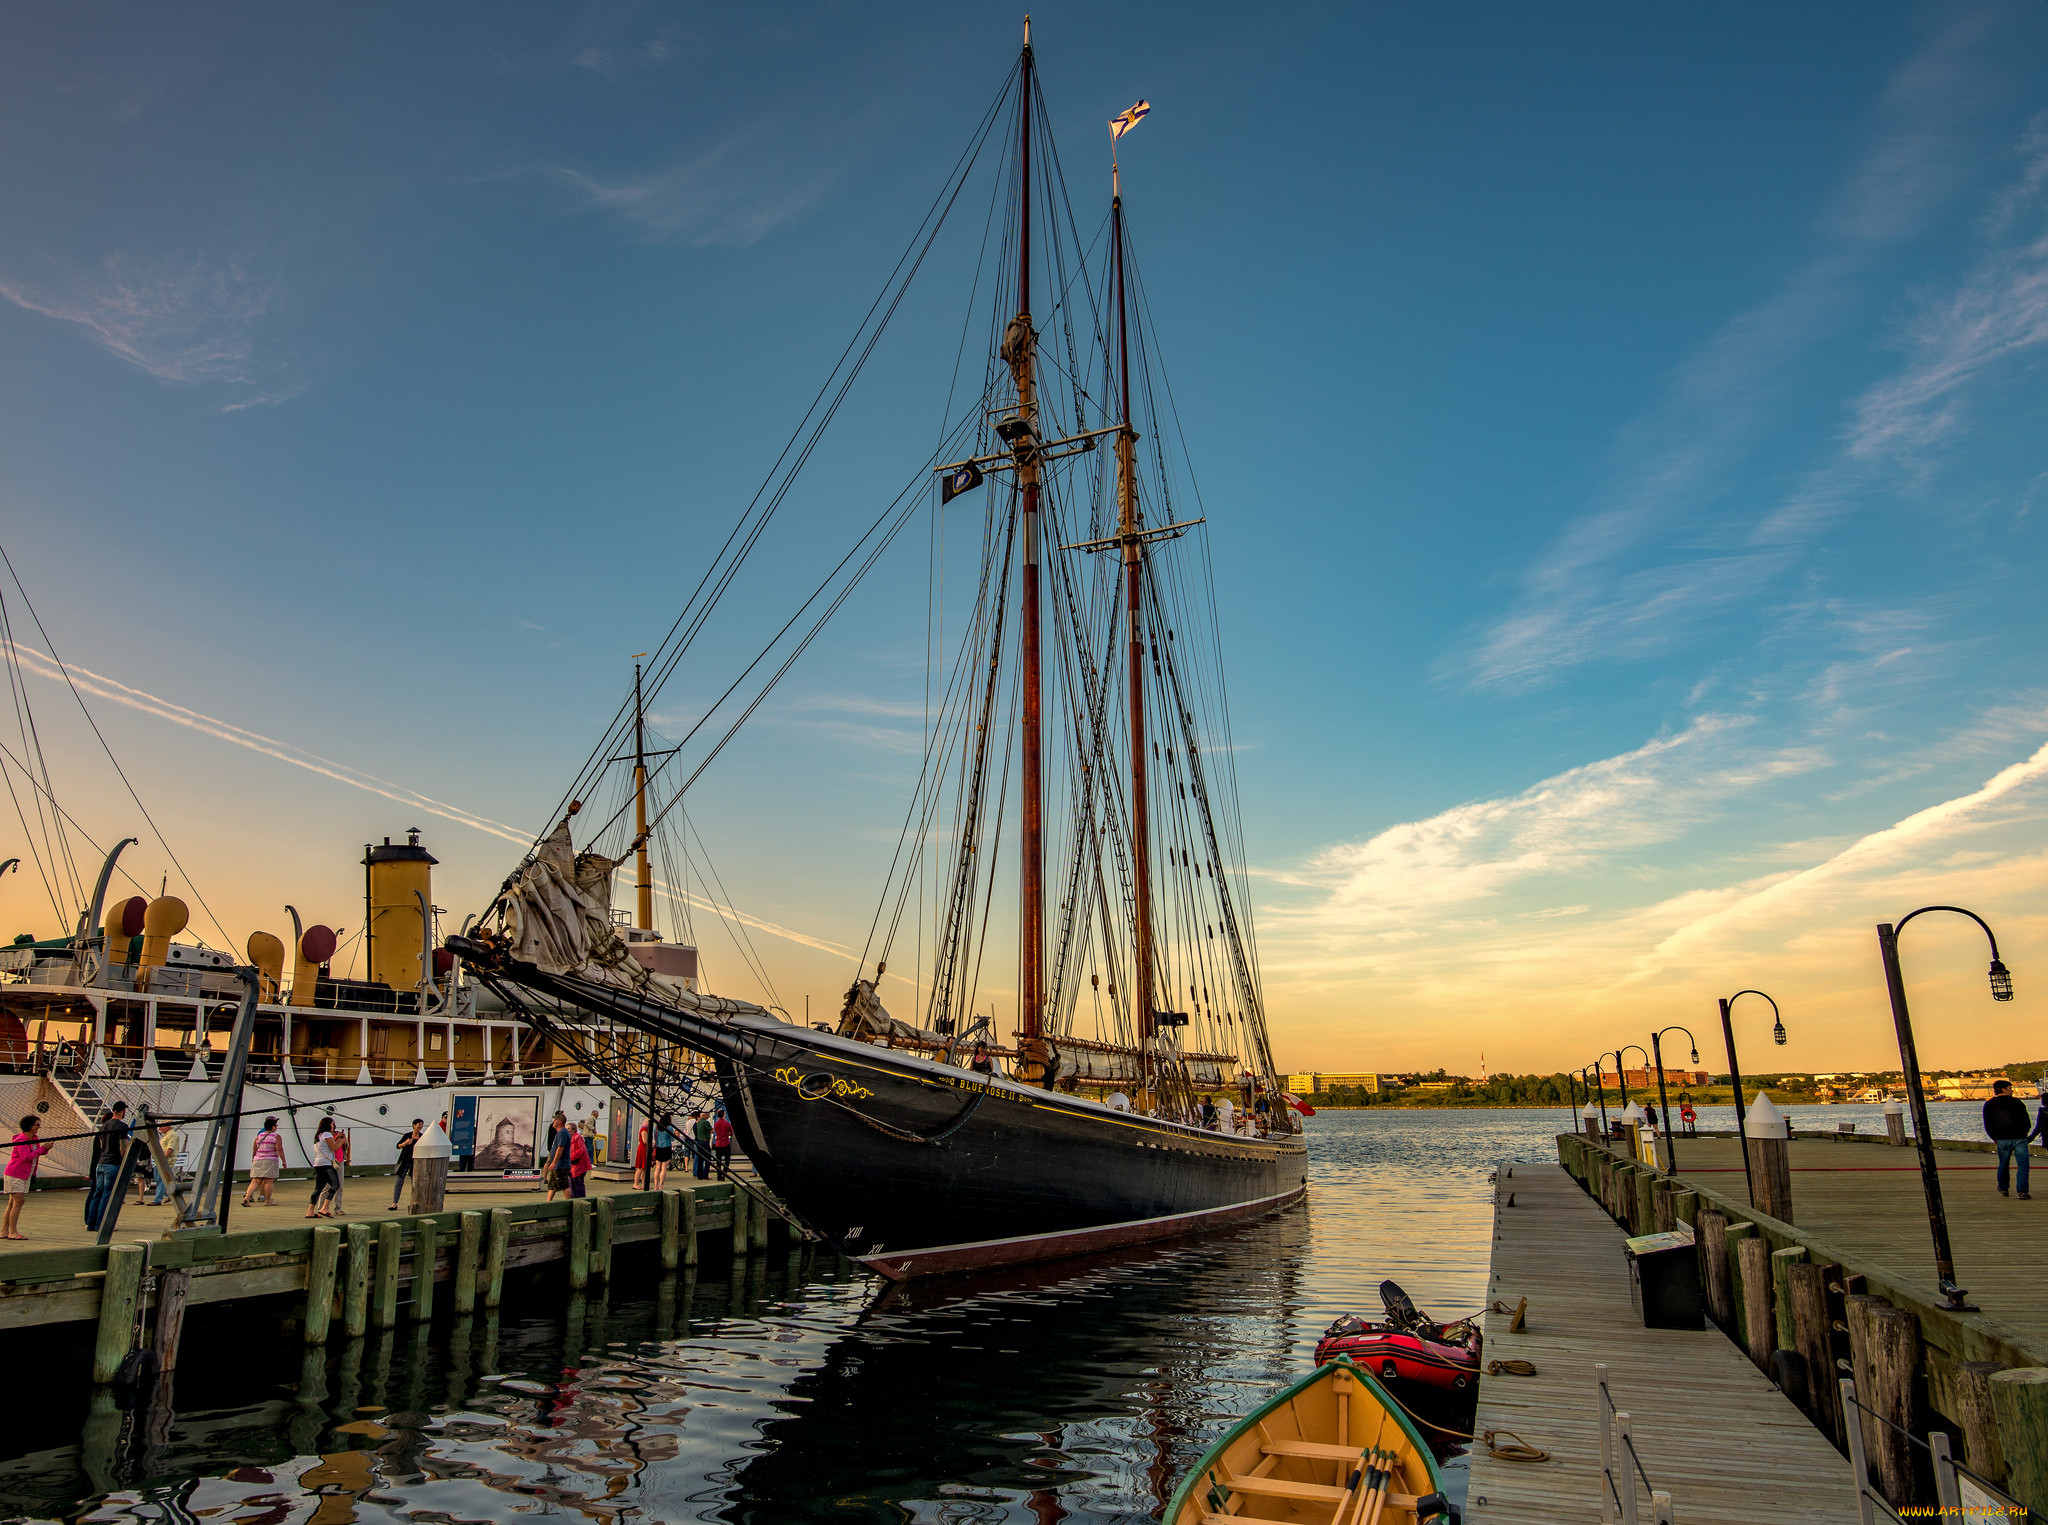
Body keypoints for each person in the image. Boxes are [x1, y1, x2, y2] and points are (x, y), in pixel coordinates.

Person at [5, 1115, 52, 1239]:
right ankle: (13, 1232)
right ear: (29, 1126)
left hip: (25, 1174)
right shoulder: (22, 1140)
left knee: (12, 1203)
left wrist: (45, 1149)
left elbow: (36, 1154)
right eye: (37, 1125)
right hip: (15, 1174)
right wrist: (42, 1148)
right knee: (19, 1201)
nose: (39, 1127)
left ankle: (4, 1231)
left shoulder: (34, 1138)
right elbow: (26, 1157)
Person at [84, 1102, 129, 1231]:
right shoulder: (122, 1126)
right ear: (122, 1111)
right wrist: (126, 1160)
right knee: (107, 1195)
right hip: (113, 1164)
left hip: (101, 1163)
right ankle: (102, 1225)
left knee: (97, 1194)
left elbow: (101, 1144)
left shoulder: (104, 1126)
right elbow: (123, 1148)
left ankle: (91, 1224)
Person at [1984, 1080, 2032, 1199]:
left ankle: (2004, 1187)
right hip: (2019, 1137)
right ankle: (2022, 1191)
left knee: (2004, 1163)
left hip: (2002, 1138)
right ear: (2003, 1089)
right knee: (2023, 1164)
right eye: (2010, 1088)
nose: (2012, 1090)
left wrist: (1994, 1137)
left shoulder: (1989, 1104)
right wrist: (2025, 1132)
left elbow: (1988, 1123)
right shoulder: (2017, 1102)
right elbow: (2026, 1120)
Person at [243, 1118, 285, 1206]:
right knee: (268, 1181)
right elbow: (279, 1149)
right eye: (276, 1125)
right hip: (270, 1160)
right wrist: (283, 1161)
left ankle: (247, 1197)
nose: (276, 1127)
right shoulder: (276, 1137)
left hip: (257, 1160)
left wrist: (253, 1159)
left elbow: (254, 1150)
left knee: (255, 1181)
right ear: (273, 1127)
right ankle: (268, 1201)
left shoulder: (258, 1136)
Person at [307, 1118, 341, 1218]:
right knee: (335, 1185)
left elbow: (327, 1145)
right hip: (326, 1164)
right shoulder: (327, 1134)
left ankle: (310, 1211)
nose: (333, 1126)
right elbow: (334, 1148)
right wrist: (341, 1141)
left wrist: (337, 1139)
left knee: (318, 1188)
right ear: (328, 1125)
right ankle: (324, 1208)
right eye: (332, 1124)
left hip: (318, 1164)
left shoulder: (318, 1135)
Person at [390, 1119, 423, 1208]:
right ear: (414, 1125)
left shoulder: (422, 1137)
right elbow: (398, 1146)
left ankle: (414, 1202)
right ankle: (395, 1203)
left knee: (415, 1183)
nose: (420, 1126)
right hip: (404, 1161)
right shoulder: (407, 1135)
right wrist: (405, 1143)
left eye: (421, 1125)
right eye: (419, 1124)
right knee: (399, 1182)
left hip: (415, 1163)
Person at [153, 1120, 181, 1204]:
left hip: (165, 1161)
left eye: (161, 1127)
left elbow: (170, 1149)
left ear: (167, 1126)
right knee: (158, 1179)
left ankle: (158, 1200)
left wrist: (163, 1160)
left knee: (160, 1179)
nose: (160, 1129)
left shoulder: (172, 1135)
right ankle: (170, 1194)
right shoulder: (166, 1136)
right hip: (159, 1161)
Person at [543, 1122, 572, 1202]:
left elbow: (560, 1148)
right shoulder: (560, 1132)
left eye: (555, 1119)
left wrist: (554, 1163)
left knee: (564, 1185)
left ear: (559, 1122)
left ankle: (568, 1203)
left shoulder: (562, 1133)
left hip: (561, 1164)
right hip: (558, 1165)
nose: (553, 1121)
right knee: (552, 1185)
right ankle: (548, 1203)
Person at [567, 1119, 592, 1199]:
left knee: (578, 1183)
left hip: (579, 1165)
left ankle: (581, 1200)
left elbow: (582, 1150)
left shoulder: (578, 1138)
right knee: (572, 1184)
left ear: (574, 1130)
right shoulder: (570, 1139)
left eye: (569, 1129)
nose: (567, 1131)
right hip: (574, 1165)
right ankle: (574, 1199)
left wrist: (571, 1156)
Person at [652, 1114, 674, 1191]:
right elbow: (672, 1139)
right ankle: (661, 1185)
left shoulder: (657, 1127)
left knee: (657, 1167)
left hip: (658, 1148)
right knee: (664, 1168)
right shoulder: (669, 1128)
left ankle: (655, 1185)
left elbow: (655, 1137)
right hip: (666, 1147)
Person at [711, 1109, 733, 1178]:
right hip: (725, 1143)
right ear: (724, 1114)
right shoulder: (727, 1123)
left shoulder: (716, 1124)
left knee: (718, 1160)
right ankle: (725, 1172)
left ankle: (719, 1174)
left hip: (718, 1143)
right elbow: (731, 1132)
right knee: (727, 1159)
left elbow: (715, 1131)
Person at [691, 1111, 713, 1180]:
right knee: (708, 1158)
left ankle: (699, 1175)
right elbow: (712, 1131)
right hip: (705, 1141)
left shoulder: (698, 1123)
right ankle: (705, 1175)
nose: (708, 1116)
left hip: (699, 1142)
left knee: (700, 1159)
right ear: (704, 1115)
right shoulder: (706, 1123)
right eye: (707, 1115)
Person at [633, 1115, 652, 1190]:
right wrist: (651, 1143)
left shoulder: (644, 1129)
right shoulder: (644, 1130)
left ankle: (644, 1184)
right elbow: (644, 1141)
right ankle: (635, 1183)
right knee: (640, 1167)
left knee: (644, 1168)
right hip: (643, 1149)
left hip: (644, 1148)